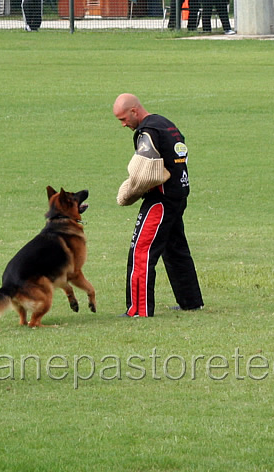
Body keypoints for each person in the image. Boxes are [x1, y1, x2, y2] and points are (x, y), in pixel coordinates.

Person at [113, 93, 204, 318]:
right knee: (175, 249)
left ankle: (138, 310)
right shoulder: (166, 124)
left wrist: (130, 192)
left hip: (161, 200)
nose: (123, 124)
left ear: (134, 111)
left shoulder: (147, 131)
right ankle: (191, 301)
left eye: (123, 119)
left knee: (141, 251)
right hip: (179, 194)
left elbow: (144, 169)